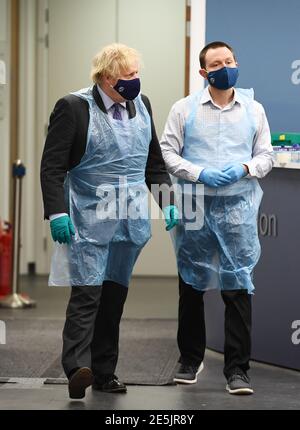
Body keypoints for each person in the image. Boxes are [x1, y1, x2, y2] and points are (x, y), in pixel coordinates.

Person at [40, 43, 178, 399]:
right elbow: (53, 166)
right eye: (127, 76)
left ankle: (104, 371)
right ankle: (76, 368)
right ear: (105, 78)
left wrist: (168, 203)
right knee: (88, 294)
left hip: (130, 220)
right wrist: (58, 212)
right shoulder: (73, 107)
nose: (135, 81)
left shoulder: (142, 105)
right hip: (89, 215)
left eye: (136, 74)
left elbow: (152, 164)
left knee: (114, 297)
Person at [160, 41, 274, 395]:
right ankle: (190, 359)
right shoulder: (184, 109)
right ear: (203, 72)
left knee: (237, 286)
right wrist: (199, 173)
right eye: (216, 63)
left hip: (237, 208)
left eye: (229, 60)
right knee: (192, 284)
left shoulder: (254, 110)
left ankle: (238, 370)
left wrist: (243, 167)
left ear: (236, 63)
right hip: (195, 204)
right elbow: (167, 152)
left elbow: (266, 155)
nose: (225, 66)